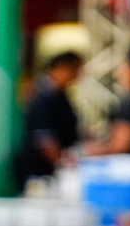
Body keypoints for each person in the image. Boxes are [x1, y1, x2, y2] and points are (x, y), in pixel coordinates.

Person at [13, 51, 84, 192]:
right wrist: (63, 164)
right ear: (62, 68)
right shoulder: (44, 94)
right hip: (37, 168)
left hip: (47, 166)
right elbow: (44, 137)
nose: (78, 76)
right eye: (76, 70)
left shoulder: (59, 94)